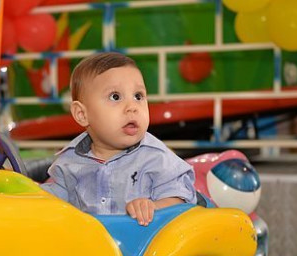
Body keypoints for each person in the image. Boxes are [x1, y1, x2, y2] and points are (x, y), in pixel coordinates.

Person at [41, 52, 196, 226]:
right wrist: (32, 194)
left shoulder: (157, 159)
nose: (132, 107)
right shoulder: (69, 163)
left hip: (142, 240)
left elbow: (182, 200)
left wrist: (154, 207)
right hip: (89, 240)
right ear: (82, 114)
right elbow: (52, 204)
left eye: (138, 96)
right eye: (115, 97)